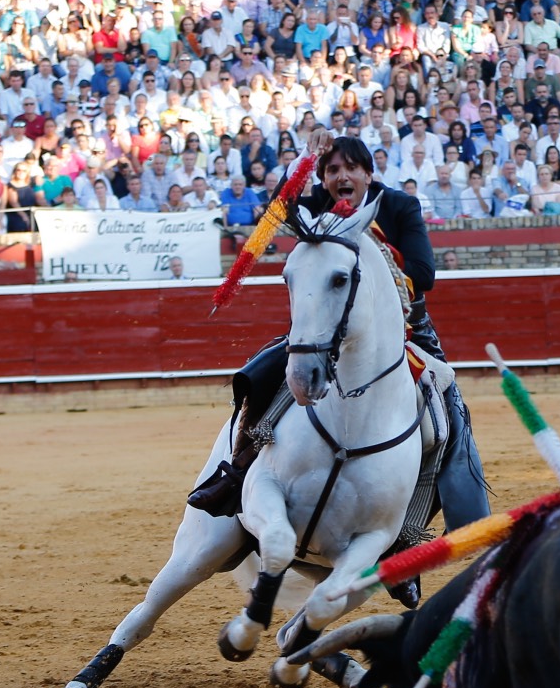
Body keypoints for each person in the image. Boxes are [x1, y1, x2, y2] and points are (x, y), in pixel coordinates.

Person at [187, 132, 490, 587]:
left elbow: (424, 274)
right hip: (326, 332)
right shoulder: (316, 206)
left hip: (401, 330)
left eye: (350, 168)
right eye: (331, 170)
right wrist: (306, 157)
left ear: (369, 173)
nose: (341, 177)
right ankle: (239, 476)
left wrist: (371, 260)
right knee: (263, 376)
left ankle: (406, 531)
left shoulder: (399, 207)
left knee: (445, 411)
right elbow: (276, 210)